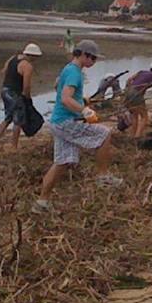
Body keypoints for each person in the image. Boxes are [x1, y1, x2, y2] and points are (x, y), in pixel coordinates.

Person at [36, 40, 122, 210]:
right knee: (105, 133)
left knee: (62, 162)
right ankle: (103, 177)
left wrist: (81, 100)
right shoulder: (75, 73)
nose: (94, 62)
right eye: (94, 59)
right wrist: (85, 111)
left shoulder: (69, 68)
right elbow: (65, 98)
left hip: (58, 121)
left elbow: (57, 86)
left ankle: (41, 203)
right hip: (65, 122)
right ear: (84, 55)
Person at [0, 43, 42, 151]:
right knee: (18, 119)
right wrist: (27, 98)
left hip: (5, 90)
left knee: (9, 116)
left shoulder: (12, 58)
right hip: (15, 93)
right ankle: (14, 146)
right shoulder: (27, 66)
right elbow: (26, 85)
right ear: (33, 56)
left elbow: (4, 71)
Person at [124, 62, 152, 141]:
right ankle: (137, 137)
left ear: (150, 69)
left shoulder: (142, 72)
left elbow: (129, 80)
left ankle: (132, 136)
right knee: (144, 117)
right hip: (136, 94)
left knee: (135, 116)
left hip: (128, 92)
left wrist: (127, 91)